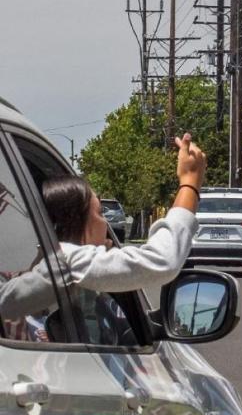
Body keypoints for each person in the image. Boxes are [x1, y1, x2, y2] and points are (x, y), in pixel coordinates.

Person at [0, 134, 205, 342]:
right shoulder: (69, 261)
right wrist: (190, 183)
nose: (105, 223)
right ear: (76, 223)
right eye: (99, 213)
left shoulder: (34, 271)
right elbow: (163, 261)